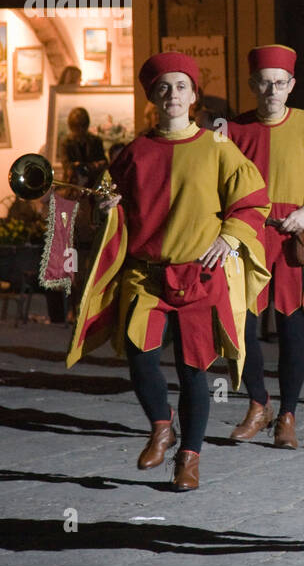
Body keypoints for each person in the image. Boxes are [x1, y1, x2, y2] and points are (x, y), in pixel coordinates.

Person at [68, 52, 269, 491]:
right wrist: (105, 208)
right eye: (164, 87)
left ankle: (189, 459)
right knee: (139, 355)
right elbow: (106, 203)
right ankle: (162, 425)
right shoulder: (135, 152)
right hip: (147, 274)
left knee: (193, 370)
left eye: (181, 86)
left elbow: (252, 199)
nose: (173, 94)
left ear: (194, 95)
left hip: (199, 275)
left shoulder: (217, 146)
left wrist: (228, 237)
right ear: (151, 97)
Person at [226, 45, 304, 446]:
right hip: (248, 239)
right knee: (241, 327)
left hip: (291, 242)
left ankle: (288, 416)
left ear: (291, 85)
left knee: (293, 333)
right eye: (264, 83)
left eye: (280, 83)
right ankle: (258, 403)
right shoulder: (231, 131)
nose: (272, 91)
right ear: (252, 84)